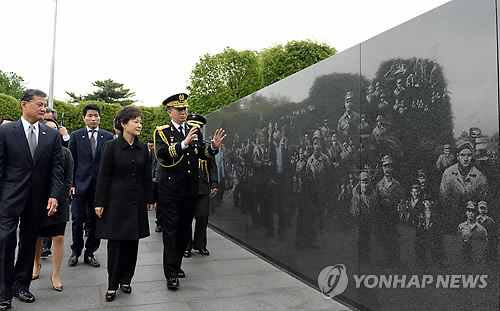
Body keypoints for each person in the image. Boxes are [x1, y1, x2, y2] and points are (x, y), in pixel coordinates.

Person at [154, 93, 226, 289]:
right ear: (170, 112)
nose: (183, 112)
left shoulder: (194, 131)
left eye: (185, 109)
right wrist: (183, 143)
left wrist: (212, 147)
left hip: (190, 189)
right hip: (170, 190)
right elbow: (162, 156)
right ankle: (170, 273)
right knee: (171, 231)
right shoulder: (162, 132)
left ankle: (176, 265)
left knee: (184, 229)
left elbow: (200, 153)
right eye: (179, 109)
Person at [0, 89, 64, 310]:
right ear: (24, 104)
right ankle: (3, 293)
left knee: (29, 244)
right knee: (6, 242)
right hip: (9, 198)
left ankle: (21, 286)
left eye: (44, 105)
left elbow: (57, 169)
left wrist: (55, 195)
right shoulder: (6, 131)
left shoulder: (52, 135)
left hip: (37, 200)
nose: (43, 109)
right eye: (39, 104)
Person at [94, 106, 154, 302]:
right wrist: (100, 202)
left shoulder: (143, 147)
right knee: (116, 245)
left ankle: (126, 279)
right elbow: (103, 177)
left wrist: (150, 198)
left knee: (132, 243)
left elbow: (147, 176)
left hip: (136, 203)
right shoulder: (111, 147)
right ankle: (112, 283)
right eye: (135, 121)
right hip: (115, 203)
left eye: (140, 121)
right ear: (123, 123)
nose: (139, 125)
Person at [68, 104, 113, 268]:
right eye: (90, 116)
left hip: (99, 187)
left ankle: (90, 252)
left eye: (96, 115)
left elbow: (109, 164)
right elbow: (71, 162)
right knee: (77, 219)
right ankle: (76, 251)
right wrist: (71, 183)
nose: (93, 118)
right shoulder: (75, 136)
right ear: (84, 118)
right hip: (79, 185)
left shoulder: (107, 137)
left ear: (100, 117)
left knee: (96, 220)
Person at [31, 118, 73, 292]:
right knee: (37, 236)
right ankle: (35, 264)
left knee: (58, 237)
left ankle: (55, 274)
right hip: (37, 200)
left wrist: (58, 198)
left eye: (55, 129)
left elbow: (68, 178)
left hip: (59, 201)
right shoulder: (33, 150)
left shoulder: (65, 153)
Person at [184, 114, 218, 257]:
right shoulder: (183, 144)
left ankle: (200, 244)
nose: (195, 130)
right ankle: (186, 246)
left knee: (203, 216)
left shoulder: (205, 146)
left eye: (198, 128)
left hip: (202, 187)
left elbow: (212, 166)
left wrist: (214, 184)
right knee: (186, 218)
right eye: (192, 127)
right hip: (186, 188)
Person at [439, 140, 488, 233]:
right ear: (457, 156)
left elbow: (482, 202)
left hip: (473, 223)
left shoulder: (480, 177)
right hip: (451, 220)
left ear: (472, 157)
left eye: (469, 155)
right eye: (462, 155)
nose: (465, 158)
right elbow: (444, 199)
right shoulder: (448, 173)